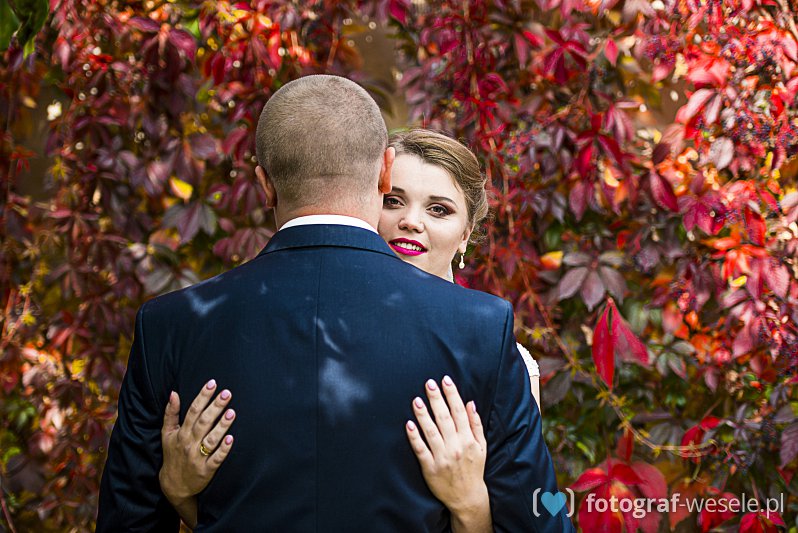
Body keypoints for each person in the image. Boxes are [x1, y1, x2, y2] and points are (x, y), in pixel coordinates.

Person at [96, 75, 571, 531]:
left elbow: (131, 521)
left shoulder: (171, 325)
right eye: (397, 201)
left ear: (264, 184)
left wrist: (178, 496)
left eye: (438, 209)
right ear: (384, 174)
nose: (411, 222)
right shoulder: (481, 330)